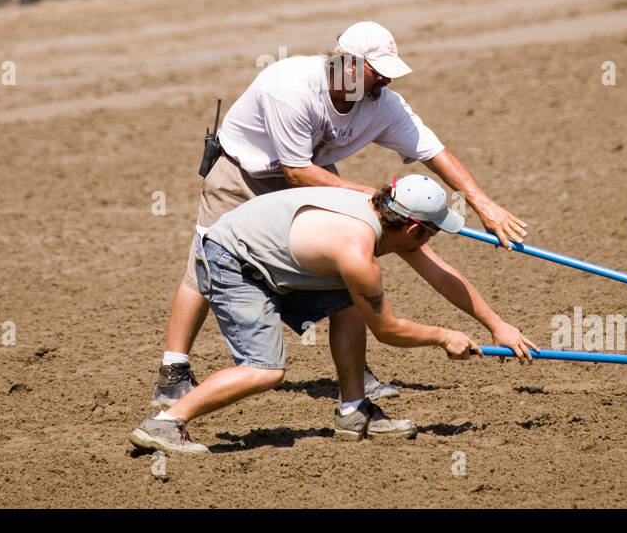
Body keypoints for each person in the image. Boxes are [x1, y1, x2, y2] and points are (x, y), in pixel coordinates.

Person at [148, 21, 530, 409]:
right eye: (376, 71)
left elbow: (433, 151)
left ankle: (353, 378)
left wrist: (484, 204)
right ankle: (173, 373)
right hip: (245, 173)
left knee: (345, 277)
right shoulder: (290, 85)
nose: (385, 81)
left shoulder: (382, 104)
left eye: (388, 72)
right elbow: (296, 172)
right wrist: (381, 201)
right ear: (346, 64)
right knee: (206, 261)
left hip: (313, 172)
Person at [130, 175, 537, 454]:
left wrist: (496, 325)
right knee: (264, 369)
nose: (431, 241)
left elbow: (442, 276)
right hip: (232, 258)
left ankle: (354, 410)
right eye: (432, 232)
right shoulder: (357, 252)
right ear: (415, 230)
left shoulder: (382, 212)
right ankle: (166, 422)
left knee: (349, 303)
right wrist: (444, 336)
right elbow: (389, 330)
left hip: (268, 250)